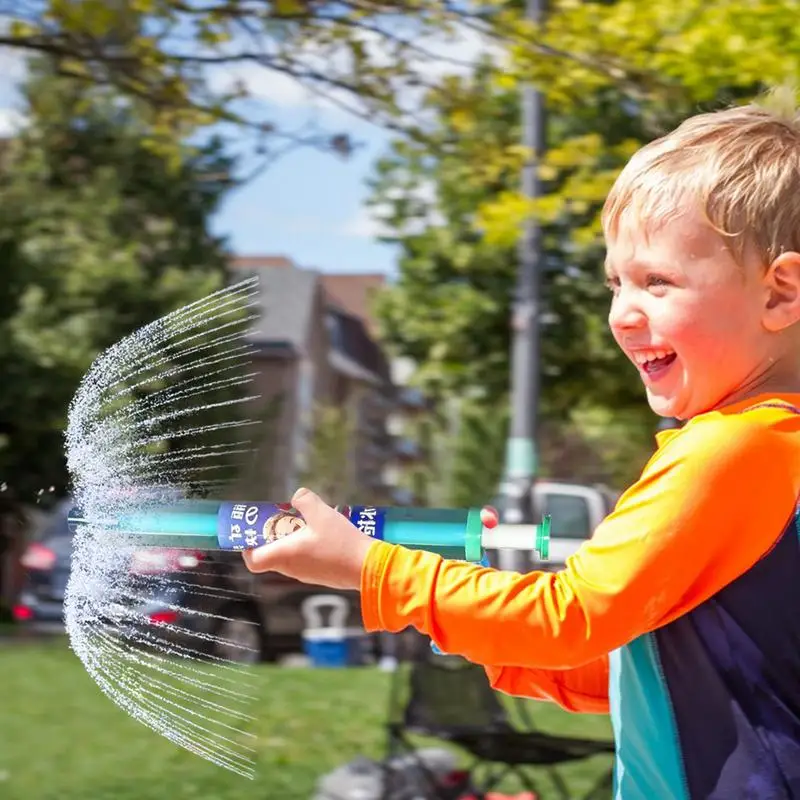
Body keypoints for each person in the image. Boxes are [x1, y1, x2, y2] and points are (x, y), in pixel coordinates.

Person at [243, 100, 800, 798]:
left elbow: (571, 618)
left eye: (658, 281)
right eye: (615, 282)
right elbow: (652, 666)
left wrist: (372, 569)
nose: (623, 313)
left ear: (780, 292)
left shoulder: (730, 449)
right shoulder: (775, 449)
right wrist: (480, 629)